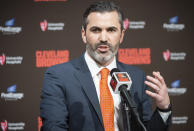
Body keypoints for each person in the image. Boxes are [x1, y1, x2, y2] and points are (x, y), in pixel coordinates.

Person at [40, 1, 171, 131]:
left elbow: (145, 128)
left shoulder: (137, 77)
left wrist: (163, 109)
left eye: (111, 30)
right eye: (96, 30)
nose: (103, 38)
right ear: (84, 34)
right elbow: (54, 127)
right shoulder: (59, 76)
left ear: (122, 35)